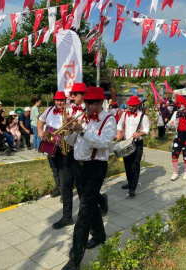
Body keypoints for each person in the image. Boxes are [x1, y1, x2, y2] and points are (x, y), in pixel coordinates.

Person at [62, 86, 116, 270]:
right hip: (79, 167)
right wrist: (69, 131)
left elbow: (104, 143)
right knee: (89, 202)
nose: (88, 106)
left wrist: (83, 131)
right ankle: (100, 236)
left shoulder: (109, 119)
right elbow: (73, 142)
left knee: (83, 213)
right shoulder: (84, 117)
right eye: (87, 102)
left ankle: (74, 260)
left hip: (95, 168)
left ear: (101, 102)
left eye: (92, 103)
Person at [53, 83, 88, 229]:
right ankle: (67, 216)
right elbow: (67, 131)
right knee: (66, 186)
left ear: (83, 95)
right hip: (69, 151)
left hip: (83, 153)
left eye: (75, 94)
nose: (71, 97)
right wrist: (63, 136)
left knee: (82, 188)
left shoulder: (90, 110)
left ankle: (90, 212)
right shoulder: (69, 109)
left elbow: (88, 133)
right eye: (71, 94)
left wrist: (78, 125)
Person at [116, 96, 150, 197]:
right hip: (126, 142)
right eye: (129, 105)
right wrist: (119, 133)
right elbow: (119, 125)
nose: (130, 107)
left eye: (133, 105)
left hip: (137, 144)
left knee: (135, 165)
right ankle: (130, 182)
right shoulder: (125, 115)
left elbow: (147, 130)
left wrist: (139, 134)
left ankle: (132, 188)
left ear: (138, 105)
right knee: (127, 164)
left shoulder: (143, 117)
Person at [38, 91, 66, 199]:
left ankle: (64, 192)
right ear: (54, 100)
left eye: (61, 100)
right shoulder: (49, 110)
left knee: (62, 169)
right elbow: (40, 120)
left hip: (62, 144)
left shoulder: (68, 111)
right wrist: (40, 131)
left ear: (65, 100)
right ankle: (59, 188)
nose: (59, 102)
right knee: (54, 167)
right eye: (57, 100)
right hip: (49, 142)